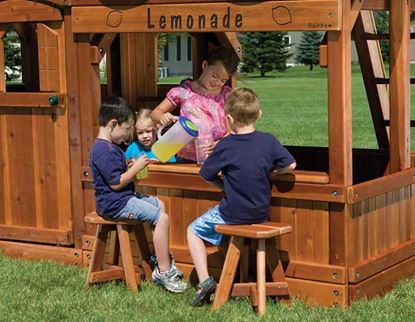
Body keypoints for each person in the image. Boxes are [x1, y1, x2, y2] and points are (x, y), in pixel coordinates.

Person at [187, 88, 296, 306]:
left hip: (233, 214)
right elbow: (291, 164)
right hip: (260, 213)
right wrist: (273, 173)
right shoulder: (268, 141)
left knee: (193, 230)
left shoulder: (225, 145)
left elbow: (205, 174)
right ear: (259, 114)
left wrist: (222, 185)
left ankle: (205, 280)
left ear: (228, 118)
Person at [89, 96, 187, 293]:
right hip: (116, 205)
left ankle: (157, 258)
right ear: (113, 124)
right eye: (127, 130)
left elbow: (117, 175)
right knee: (162, 218)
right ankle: (164, 271)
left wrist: (130, 167)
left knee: (159, 205)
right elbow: (116, 184)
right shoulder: (103, 151)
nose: (127, 135)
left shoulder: (110, 148)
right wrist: (135, 170)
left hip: (123, 199)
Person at [151, 46, 240, 162]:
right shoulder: (184, 92)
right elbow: (155, 113)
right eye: (215, 76)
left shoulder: (226, 96)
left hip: (216, 157)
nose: (217, 82)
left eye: (223, 80)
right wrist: (163, 117)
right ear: (205, 66)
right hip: (185, 158)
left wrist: (219, 144)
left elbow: (231, 131)